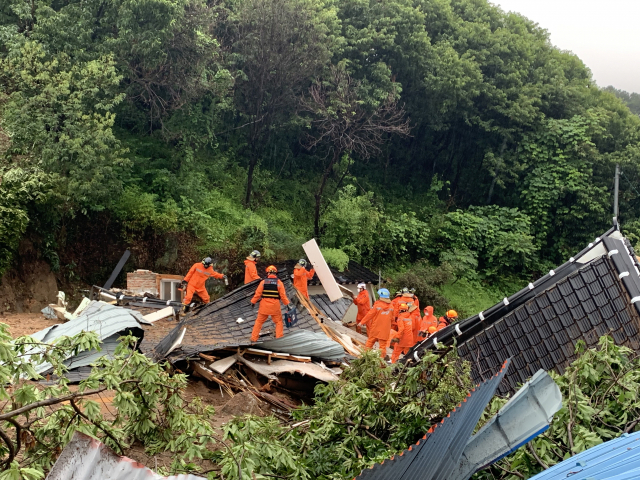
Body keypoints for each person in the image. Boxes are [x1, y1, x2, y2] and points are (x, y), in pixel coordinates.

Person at [250, 265, 292, 342]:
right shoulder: (279, 283)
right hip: (275, 306)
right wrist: (287, 304)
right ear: (276, 273)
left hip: (264, 306)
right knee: (278, 322)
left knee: (259, 322)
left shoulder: (263, 282)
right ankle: (279, 338)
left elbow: (258, 294)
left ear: (268, 273)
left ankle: (253, 338)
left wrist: (253, 302)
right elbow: (283, 296)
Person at [359, 288, 395, 358]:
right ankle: (381, 363)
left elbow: (370, 314)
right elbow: (393, 319)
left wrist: (362, 322)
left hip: (375, 328)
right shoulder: (391, 307)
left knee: (370, 343)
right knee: (382, 347)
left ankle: (366, 358)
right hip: (385, 330)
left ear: (380, 296)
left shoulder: (377, 306)